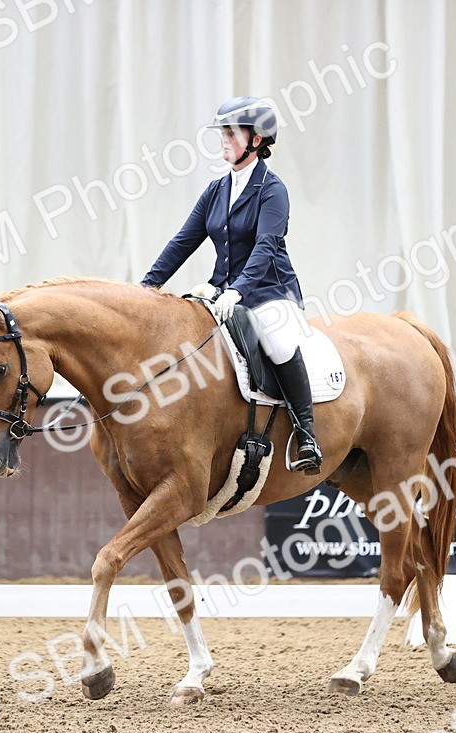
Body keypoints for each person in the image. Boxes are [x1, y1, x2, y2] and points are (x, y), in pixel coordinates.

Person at [141, 96, 322, 474]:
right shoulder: (216, 190)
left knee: (279, 341)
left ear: (256, 140)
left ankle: (306, 435)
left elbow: (266, 245)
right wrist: (145, 289)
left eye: (231, 132)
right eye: (222, 132)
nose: (223, 138)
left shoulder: (273, 190)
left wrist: (238, 289)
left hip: (270, 292)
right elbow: (183, 242)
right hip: (224, 293)